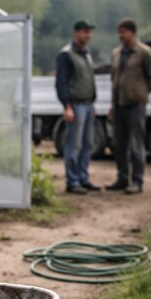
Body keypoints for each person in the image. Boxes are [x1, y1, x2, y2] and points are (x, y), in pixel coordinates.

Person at [106, 18, 151, 194]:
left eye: (124, 32)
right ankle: (122, 178)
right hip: (119, 106)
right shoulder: (116, 54)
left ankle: (137, 180)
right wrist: (113, 104)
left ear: (133, 33)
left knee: (136, 144)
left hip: (135, 106)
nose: (121, 35)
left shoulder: (144, 52)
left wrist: (140, 94)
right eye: (119, 32)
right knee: (119, 144)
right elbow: (114, 80)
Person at [55, 19, 100, 195]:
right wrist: (67, 106)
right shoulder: (66, 55)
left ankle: (83, 178)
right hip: (75, 106)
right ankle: (72, 182)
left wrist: (93, 102)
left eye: (89, 32)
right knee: (74, 145)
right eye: (84, 31)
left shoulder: (86, 54)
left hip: (88, 105)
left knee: (87, 145)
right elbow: (61, 83)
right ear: (76, 33)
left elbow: (89, 80)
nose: (88, 35)